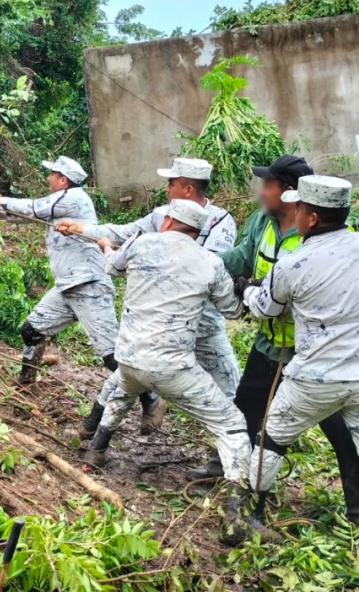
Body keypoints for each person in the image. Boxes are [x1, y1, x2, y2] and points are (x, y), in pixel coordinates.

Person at [237, 175, 359, 549]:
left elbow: (266, 309)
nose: (294, 213)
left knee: (271, 439)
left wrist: (246, 289)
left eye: (298, 208)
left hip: (315, 379)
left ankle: (249, 513)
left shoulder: (293, 263)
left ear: (310, 218)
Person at [82, 199, 265, 545]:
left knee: (123, 390)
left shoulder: (139, 243)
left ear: (167, 221)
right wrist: (245, 286)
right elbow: (232, 310)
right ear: (199, 232)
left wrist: (105, 244)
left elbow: (111, 266)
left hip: (131, 357)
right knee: (232, 425)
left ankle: (95, 452)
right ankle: (235, 518)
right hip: (173, 367)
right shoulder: (209, 262)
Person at [213, 155, 359, 520]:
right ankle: (227, 468)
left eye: (267, 185)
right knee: (246, 411)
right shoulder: (261, 223)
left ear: (291, 195)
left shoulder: (331, 241)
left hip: (311, 353)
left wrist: (259, 293)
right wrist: (205, 263)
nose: (260, 192)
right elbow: (241, 256)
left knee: (338, 428)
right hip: (269, 343)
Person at [55, 157, 239, 436]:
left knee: (229, 384)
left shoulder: (222, 223)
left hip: (203, 322)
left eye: (172, 183)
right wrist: (81, 229)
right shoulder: (163, 214)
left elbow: (209, 269)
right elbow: (123, 233)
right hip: (160, 322)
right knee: (129, 374)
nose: (166, 188)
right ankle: (93, 431)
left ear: (188, 189)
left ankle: (234, 449)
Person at [0, 156, 126, 390]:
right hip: (68, 286)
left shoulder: (73, 197)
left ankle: (150, 400)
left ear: (63, 180)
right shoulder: (60, 202)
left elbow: (32, 207)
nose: (48, 178)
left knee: (111, 356)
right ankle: (26, 383)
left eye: (52, 174)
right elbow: (20, 216)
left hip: (89, 285)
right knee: (32, 329)